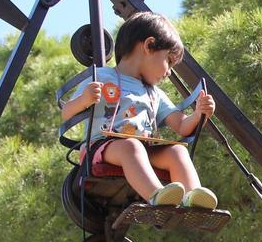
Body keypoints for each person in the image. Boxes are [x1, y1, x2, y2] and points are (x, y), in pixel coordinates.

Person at [60, 12, 218, 209]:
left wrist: (199, 115)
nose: (168, 71)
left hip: (143, 149)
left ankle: (193, 199)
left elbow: (182, 126)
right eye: (168, 60)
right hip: (104, 147)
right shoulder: (102, 76)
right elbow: (66, 113)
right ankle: (157, 195)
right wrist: (84, 100)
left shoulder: (154, 94)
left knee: (177, 151)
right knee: (131, 146)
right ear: (149, 46)